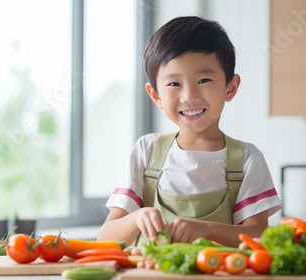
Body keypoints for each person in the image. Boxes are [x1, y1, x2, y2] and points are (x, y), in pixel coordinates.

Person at [97, 16, 281, 248]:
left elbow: (259, 237)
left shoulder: (247, 159)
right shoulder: (147, 151)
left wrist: (206, 229)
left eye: (204, 80)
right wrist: (138, 216)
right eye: (174, 84)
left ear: (230, 87)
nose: (189, 96)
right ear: (155, 96)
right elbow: (106, 237)